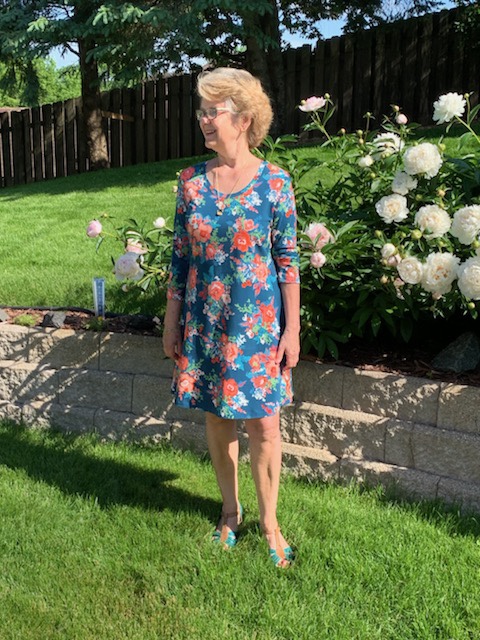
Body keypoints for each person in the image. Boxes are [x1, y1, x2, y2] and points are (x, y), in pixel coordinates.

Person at [162, 67, 300, 568]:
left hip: (258, 326)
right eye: (201, 111)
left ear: (243, 119)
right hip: (205, 322)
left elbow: (287, 261)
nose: (204, 120)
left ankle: (270, 524)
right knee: (218, 418)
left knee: (264, 425)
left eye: (212, 111)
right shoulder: (191, 183)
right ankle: (230, 511)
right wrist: (172, 320)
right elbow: (180, 258)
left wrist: (292, 330)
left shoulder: (275, 183)